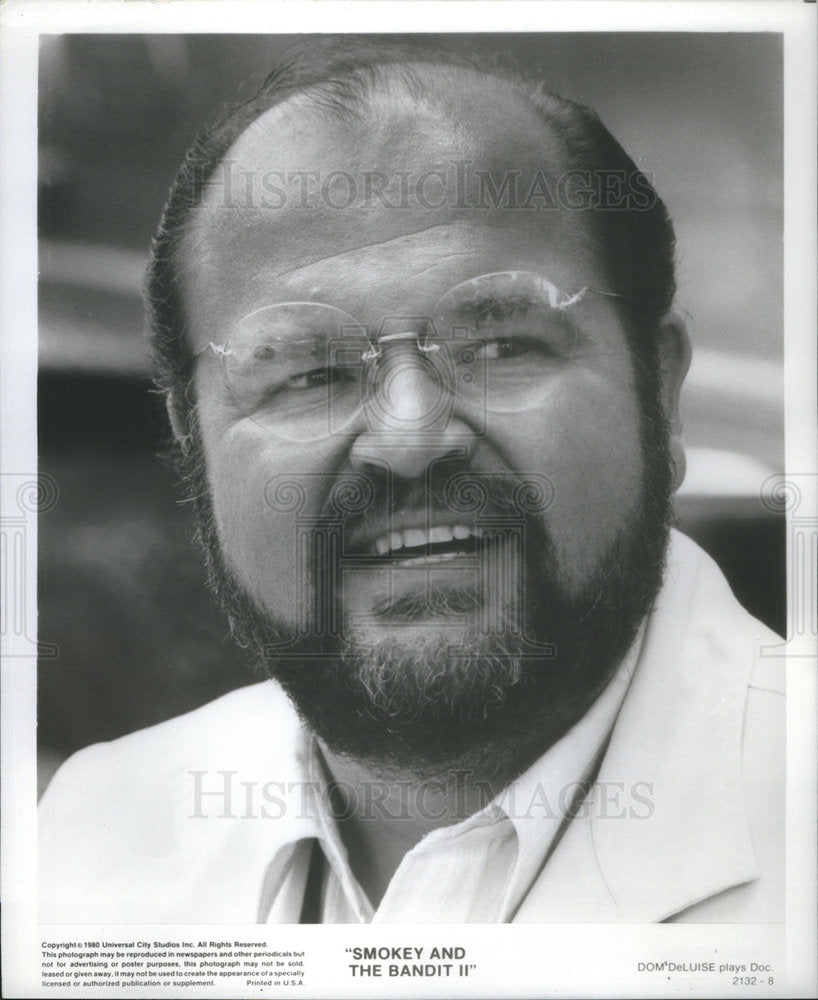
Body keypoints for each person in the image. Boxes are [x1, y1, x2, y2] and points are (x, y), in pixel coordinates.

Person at [39, 39, 783, 924]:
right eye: (307, 373)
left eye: (501, 346)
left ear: (659, 391)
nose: (409, 437)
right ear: (191, 442)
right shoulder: (92, 832)